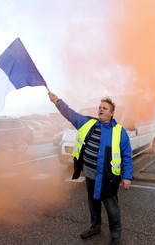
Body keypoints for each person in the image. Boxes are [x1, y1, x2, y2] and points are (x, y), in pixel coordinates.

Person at [48, 92, 133, 245]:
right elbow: (70, 113)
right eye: (100, 107)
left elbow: (126, 155)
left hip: (109, 176)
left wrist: (126, 177)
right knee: (93, 202)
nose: (101, 110)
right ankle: (95, 227)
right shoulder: (87, 123)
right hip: (90, 173)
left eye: (105, 108)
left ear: (112, 113)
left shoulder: (119, 131)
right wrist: (57, 101)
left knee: (111, 207)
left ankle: (115, 234)